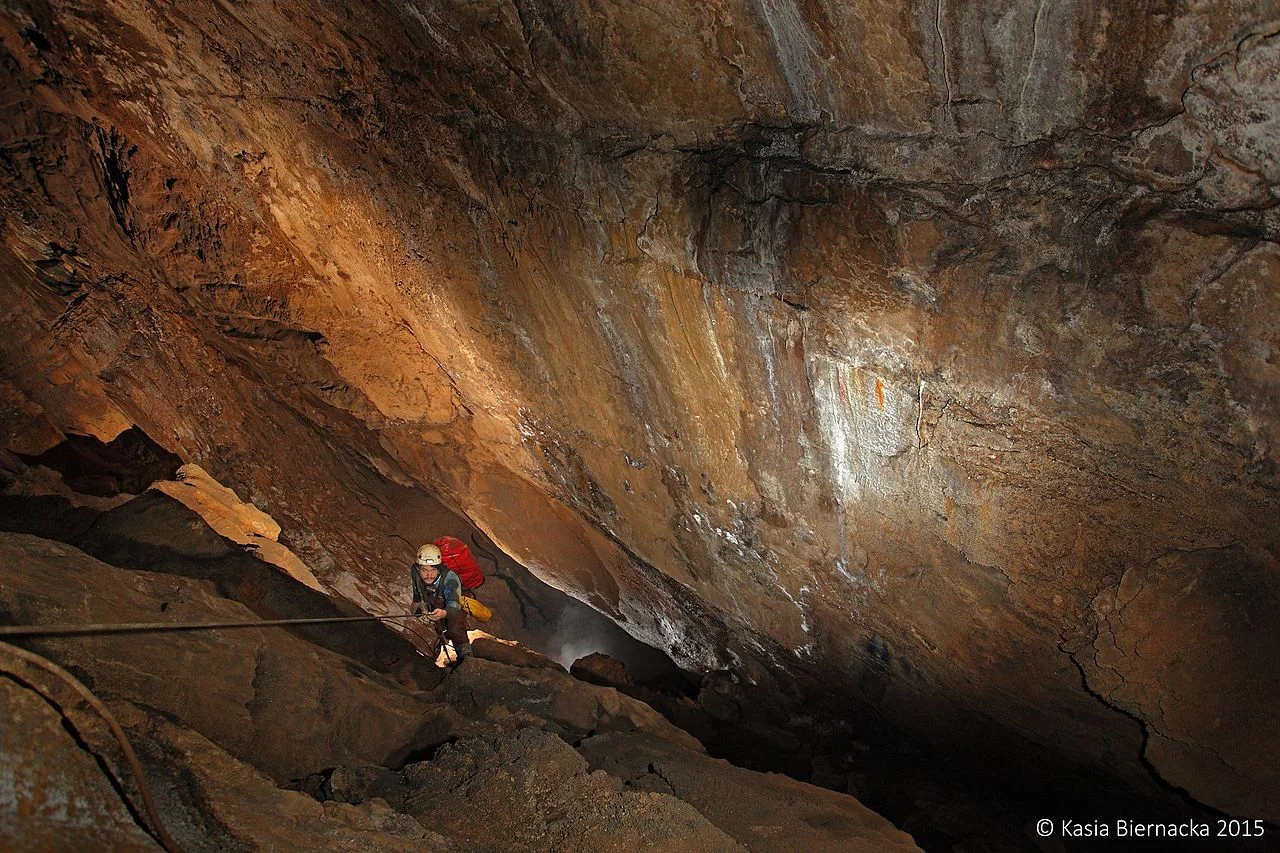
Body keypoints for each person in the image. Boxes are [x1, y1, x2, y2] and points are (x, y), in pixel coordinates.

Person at [409, 543, 473, 665]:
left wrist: (444, 613)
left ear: (439, 567)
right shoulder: (415, 571)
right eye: (424, 570)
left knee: (455, 628)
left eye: (433, 569)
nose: (429, 575)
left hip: (455, 600)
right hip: (436, 597)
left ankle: (467, 659)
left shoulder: (450, 579)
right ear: (418, 568)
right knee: (439, 625)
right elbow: (416, 586)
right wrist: (416, 601)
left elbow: (454, 606)